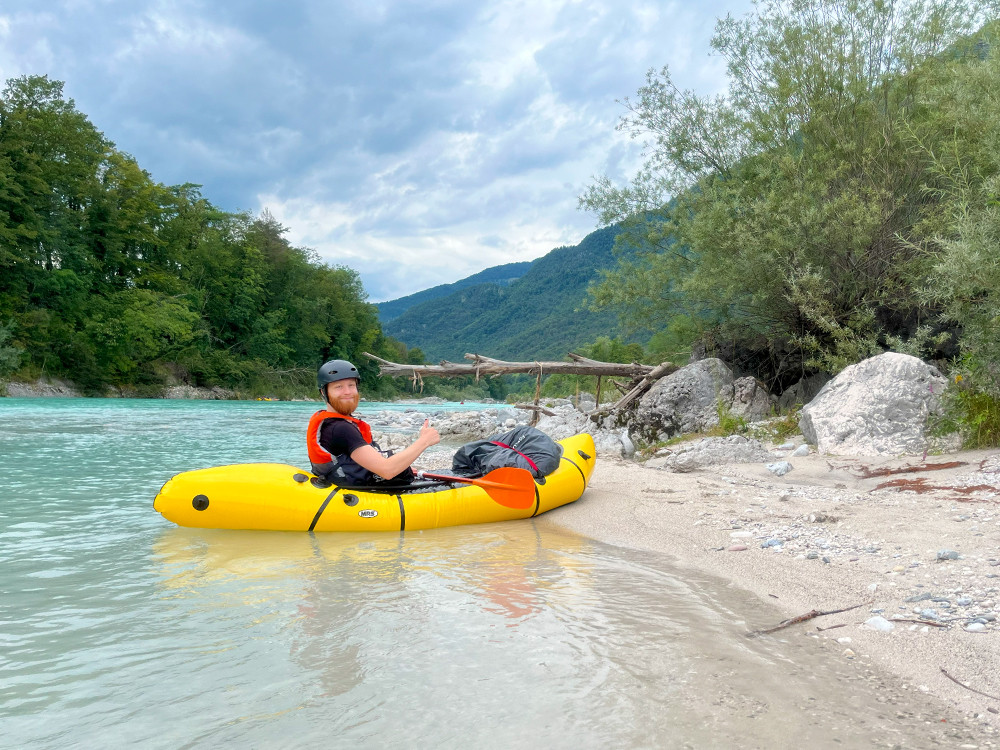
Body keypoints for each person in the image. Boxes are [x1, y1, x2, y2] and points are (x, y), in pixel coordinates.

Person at [306, 359, 440, 486]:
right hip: (358, 498)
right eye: (338, 387)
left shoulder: (332, 424)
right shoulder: (340, 429)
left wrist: (404, 465)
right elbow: (387, 470)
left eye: (351, 385)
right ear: (324, 393)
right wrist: (424, 441)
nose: (347, 392)